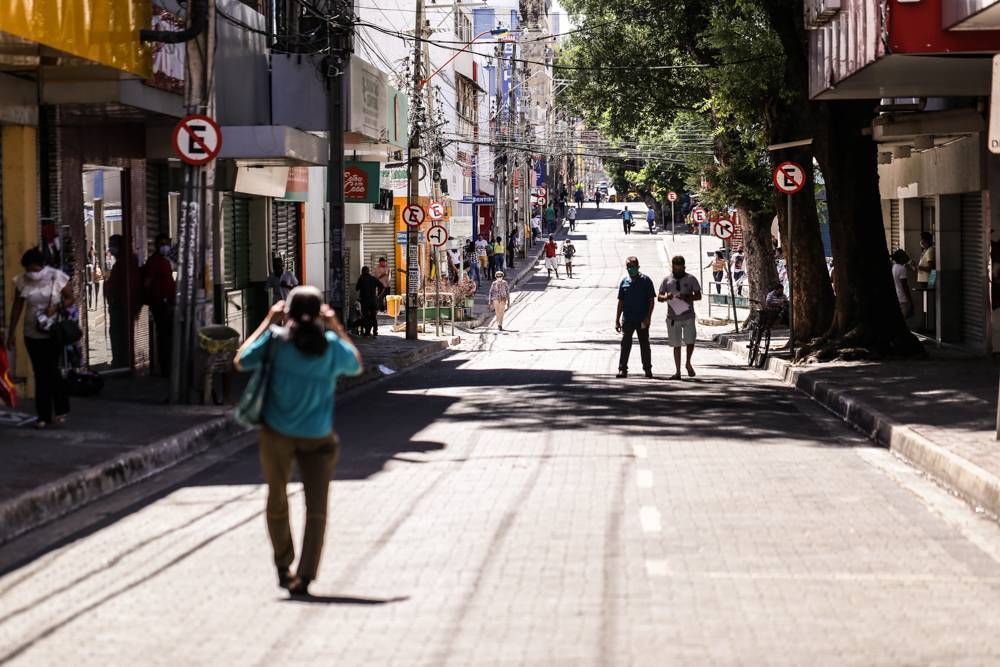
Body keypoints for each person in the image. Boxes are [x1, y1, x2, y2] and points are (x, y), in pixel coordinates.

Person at [235, 286, 362, 597]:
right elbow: (357, 364)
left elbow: (241, 360)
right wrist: (336, 327)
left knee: (277, 499)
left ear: (287, 312)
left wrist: (267, 321)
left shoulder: (277, 342)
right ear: (320, 312)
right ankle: (305, 576)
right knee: (316, 509)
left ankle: (283, 565)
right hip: (318, 436)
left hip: (277, 435)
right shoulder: (331, 346)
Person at [3, 248, 74, 428]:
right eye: (28, 269)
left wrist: (56, 308)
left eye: (34, 269)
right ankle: (43, 416)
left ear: (42, 266)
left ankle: (60, 409)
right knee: (39, 373)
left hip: (52, 331)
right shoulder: (21, 281)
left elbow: (71, 298)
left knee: (52, 370)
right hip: (31, 332)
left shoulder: (56, 276)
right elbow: (17, 308)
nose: (31, 273)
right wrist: (11, 333)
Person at [658, 255, 702, 380]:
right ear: (672, 267)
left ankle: (688, 362)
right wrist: (667, 297)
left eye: (680, 269)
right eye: (675, 269)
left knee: (690, 341)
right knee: (676, 344)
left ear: (684, 267)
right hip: (673, 317)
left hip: (688, 315)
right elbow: (659, 297)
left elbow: (698, 296)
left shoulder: (691, 279)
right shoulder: (667, 280)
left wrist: (687, 296)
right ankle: (677, 371)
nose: (677, 272)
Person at [615, 256, 656, 378]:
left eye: (632, 267)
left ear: (638, 267)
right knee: (625, 344)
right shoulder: (624, 282)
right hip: (627, 319)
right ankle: (622, 369)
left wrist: (648, 317)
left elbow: (651, 301)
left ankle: (647, 369)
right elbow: (620, 302)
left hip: (642, 319)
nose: (630, 269)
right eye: (628, 267)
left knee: (644, 344)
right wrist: (617, 319)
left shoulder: (646, 281)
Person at [104, 234, 141, 368]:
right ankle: (121, 360)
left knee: (119, 334)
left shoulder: (124, 262)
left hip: (121, 305)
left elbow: (118, 284)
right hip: (122, 304)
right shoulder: (127, 260)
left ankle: (120, 362)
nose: (111, 248)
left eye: (113, 245)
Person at [143, 233, 176, 376]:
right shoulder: (154, 261)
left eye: (167, 243)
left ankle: (169, 365)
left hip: (168, 302)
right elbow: (147, 282)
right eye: (162, 244)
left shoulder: (165, 261)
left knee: (169, 335)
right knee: (164, 336)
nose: (165, 246)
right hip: (160, 304)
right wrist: (154, 299)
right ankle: (165, 368)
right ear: (157, 245)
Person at [355, 266, 382, 337]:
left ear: (363, 271)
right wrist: (379, 295)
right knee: (373, 316)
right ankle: (375, 331)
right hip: (373, 300)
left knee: (366, 316)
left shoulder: (361, 278)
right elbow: (382, 286)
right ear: (368, 271)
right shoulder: (373, 278)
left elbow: (357, 288)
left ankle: (367, 332)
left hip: (365, 301)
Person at [891, 249, 913, 318]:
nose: (907, 256)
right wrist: (910, 300)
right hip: (903, 299)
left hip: (898, 297)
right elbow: (904, 286)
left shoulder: (894, 267)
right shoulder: (902, 269)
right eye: (905, 255)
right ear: (901, 258)